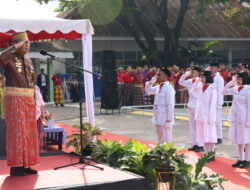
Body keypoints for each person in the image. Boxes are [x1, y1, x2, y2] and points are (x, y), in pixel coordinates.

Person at [0, 32, 39, 176]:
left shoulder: (29, 60)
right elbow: (0, 58)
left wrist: (34, 99)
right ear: (17, 44)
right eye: (25, 43)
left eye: (28, 43)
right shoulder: (9, 57)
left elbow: (32, 81)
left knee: (29, 133)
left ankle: (27, 164)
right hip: (15, 98)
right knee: (17, 132)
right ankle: (16, 166)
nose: (28, 46)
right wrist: (14, 47)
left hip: (29, 99)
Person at [222, 72, 250, 168]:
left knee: (246, 140)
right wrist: (230, 83)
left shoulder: (248, 90)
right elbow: (223, 92)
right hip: (235, 117)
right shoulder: (235, 88)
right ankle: (241, 159)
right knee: (239, 139)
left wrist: (248, 121)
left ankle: (247, 160)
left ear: (245, 79)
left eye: (240, 79)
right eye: (237, 79)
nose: (238, 80)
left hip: (244, 118)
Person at [145, 66, 175, 143]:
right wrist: (151, 81)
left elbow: (170, 104)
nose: (157, 76)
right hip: (158, 115)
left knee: (166, 138)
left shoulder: (168, 88)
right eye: (157, 74)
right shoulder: (159, 86)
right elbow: (148, 91)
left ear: (165, 76)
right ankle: (161, 154)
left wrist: (169, 119)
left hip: (165, 117)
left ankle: (167, 154)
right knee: (160, 138)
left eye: (159, 75)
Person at [191, 71, 217, 161]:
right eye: (201, 77)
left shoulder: (212, 88)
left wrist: (211, 118)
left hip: (208, 116)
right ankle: (206, 153)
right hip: (201, 115)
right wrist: (197, 81)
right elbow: (193, 91)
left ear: (208, 78)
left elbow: (213, 105)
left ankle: (212, 153)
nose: (201, 79)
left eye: (203, 77)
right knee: (204, 135)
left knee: (210, 135)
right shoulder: (201, 87)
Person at [179, 66, 204, 152]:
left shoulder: (200, 81)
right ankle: (194, 144)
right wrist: (185, 74)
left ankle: (200, 145)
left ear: (198, 73)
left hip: (198, 104)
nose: (192, 72)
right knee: (192, 125)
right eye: (191, 71)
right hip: (191, 104)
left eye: (193, 71)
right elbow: (180, 82)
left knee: (199, 125)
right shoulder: (190, 81)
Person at [210, 62, 224, 144]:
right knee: (212, 120)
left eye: (212, 68)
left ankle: (219, 137)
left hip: (217, 102)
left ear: (217, 68)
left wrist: (219, 103)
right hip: (211, 101)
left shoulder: (219, 78)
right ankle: (214, 136)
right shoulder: (211, 77)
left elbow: (220, 91)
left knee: (218, 120)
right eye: (211, 67)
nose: (211, 69)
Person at [35, 85, 46, 152]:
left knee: (38, 132)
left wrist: (42, 111)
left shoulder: (36, 88)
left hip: (37, 114)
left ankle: (38, 148)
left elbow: (41, 101)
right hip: (28, 114)